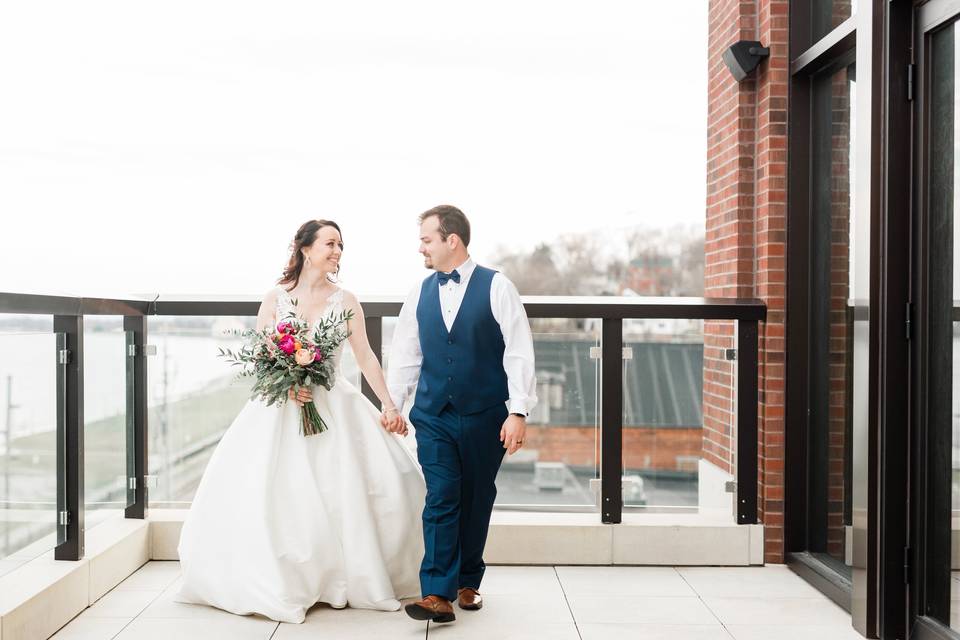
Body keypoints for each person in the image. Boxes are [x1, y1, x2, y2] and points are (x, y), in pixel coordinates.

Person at [175, 219, 425, 624]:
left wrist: (389, 406)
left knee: (354, 487)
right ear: (305, 249)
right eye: (329, 244)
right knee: (281, 491)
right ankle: (287, 577)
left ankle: (341, 575)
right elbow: (261, 355)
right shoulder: (275, 297)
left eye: (341, 245)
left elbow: (364, 356)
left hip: (335, 402)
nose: (337, 252)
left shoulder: (346, 300)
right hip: (280, 406)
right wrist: (288, 384)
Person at [386, 205, 538, 624]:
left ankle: (468, 580)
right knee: (441, 496)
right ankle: (437, 592)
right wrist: (393, 405)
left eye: (427, 239)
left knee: (476, 496)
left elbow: (519, 350)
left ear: (452, 240)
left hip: (486, 414)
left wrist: (518, 411)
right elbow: (405, 353)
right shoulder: (419, 291)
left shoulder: (497, 286)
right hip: (433, 414)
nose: (421, 248)